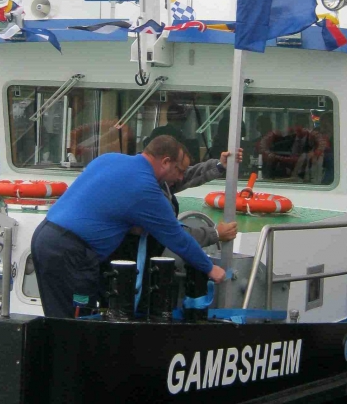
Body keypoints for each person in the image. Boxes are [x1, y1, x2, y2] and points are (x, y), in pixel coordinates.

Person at [30, 135, 226, 318]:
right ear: (165, 162)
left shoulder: (109, 159)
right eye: (179, 171)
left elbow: (102, 201)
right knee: (78, 322)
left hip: (45, 237)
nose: (181, 177)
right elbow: (177, 238)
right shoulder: (145, 189)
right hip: (72, 253)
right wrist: (210, 268)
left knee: (58, 317)